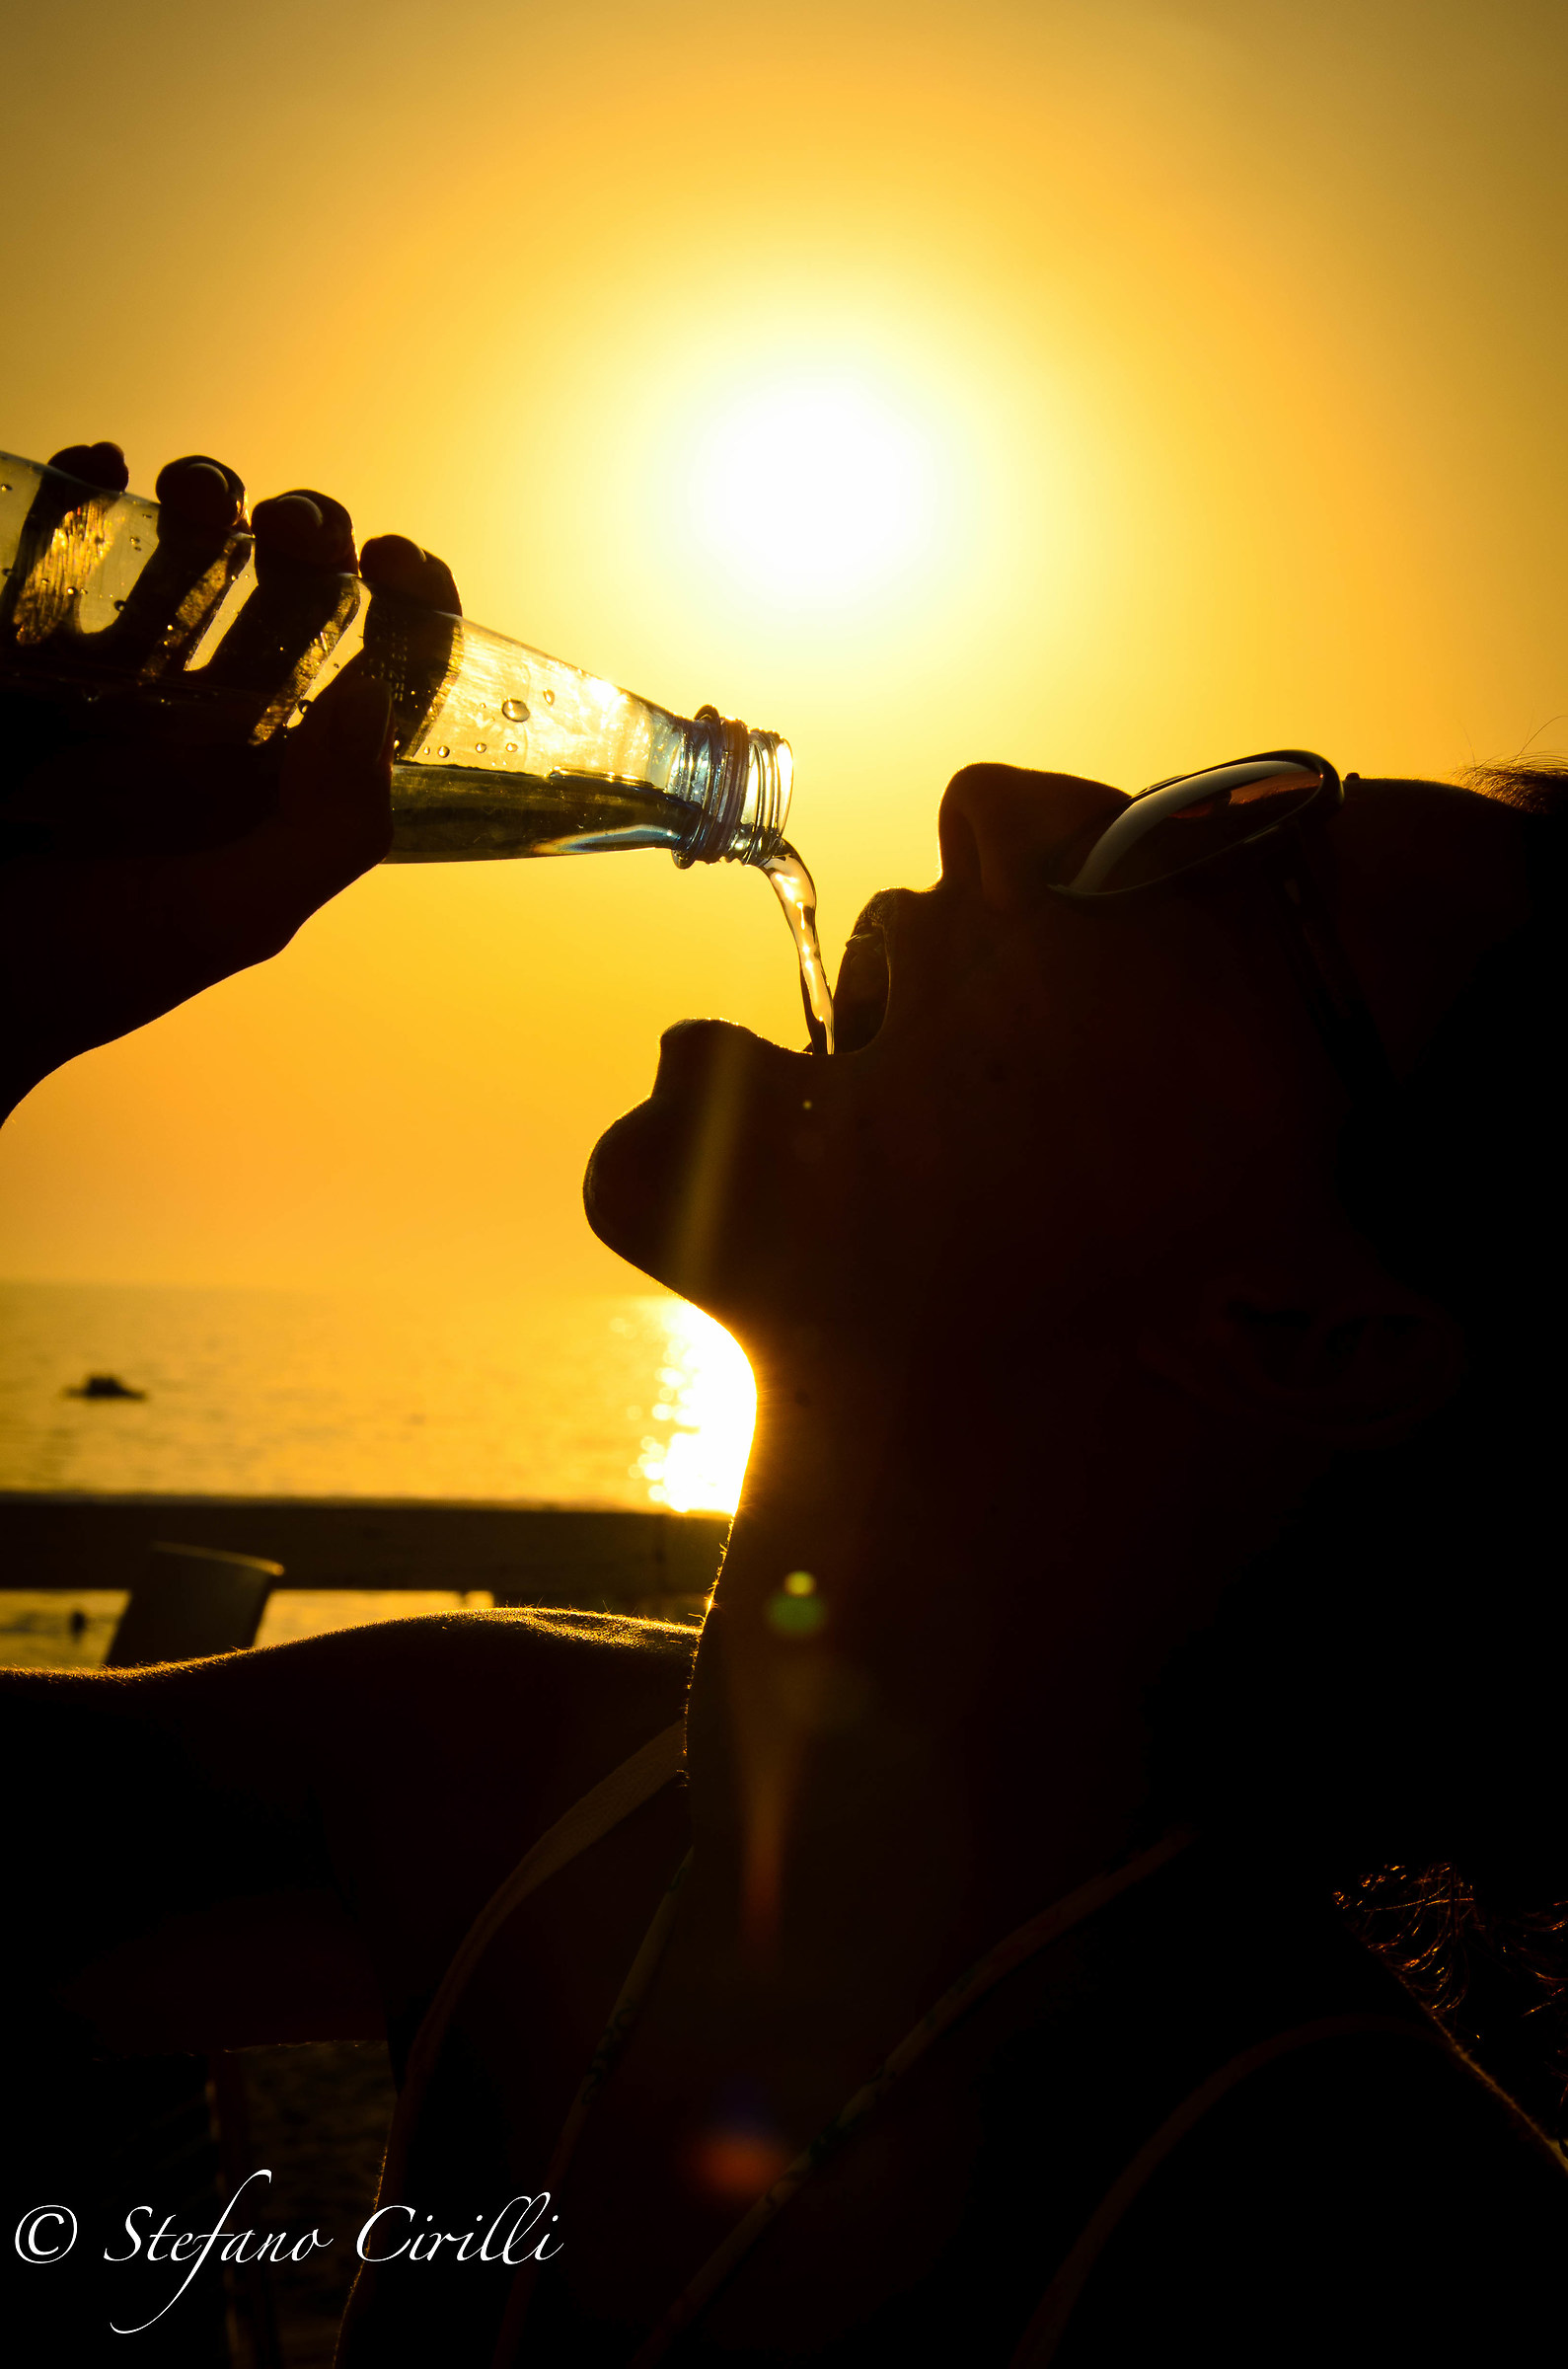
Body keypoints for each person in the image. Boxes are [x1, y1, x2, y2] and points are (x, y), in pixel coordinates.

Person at [2, 442, 1564, 2364]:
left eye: (1226, 850)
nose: (996, 800)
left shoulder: (1343, 2258)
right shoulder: (512, 1787)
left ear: (1312, 1330)